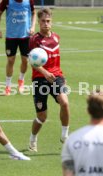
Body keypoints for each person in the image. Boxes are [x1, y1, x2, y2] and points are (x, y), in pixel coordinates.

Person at [28, 8, 70, 152]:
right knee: (42, 116)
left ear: (51, 22)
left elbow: (57, 61)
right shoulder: (34, 40)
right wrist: (45, 73)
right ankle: (33, 138)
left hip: (56, 77)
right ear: (38, 22)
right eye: (43, 21)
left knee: (64, 103)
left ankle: (65, 135)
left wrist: (61, 77)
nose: (46, 24)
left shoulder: (56, 37)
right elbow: (32, 61)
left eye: (48, 21)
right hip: (40, 79)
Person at [0, 0, 36, 95]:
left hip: (25, 36)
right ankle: (8, 86)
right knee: (10, 60)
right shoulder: (7, 1)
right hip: (11, 36)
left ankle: (21, 81)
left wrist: (33, 27)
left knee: (25, 60)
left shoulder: (29, 1)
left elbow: (34, 13)